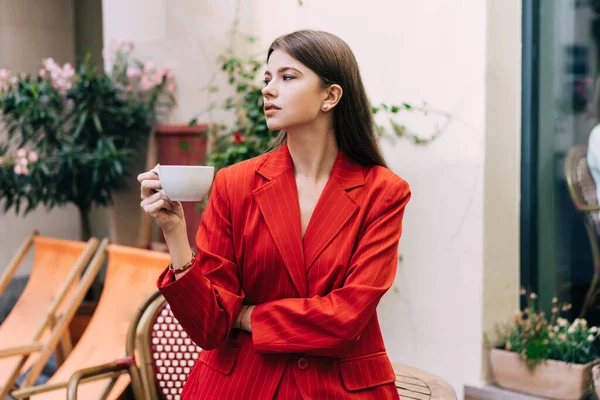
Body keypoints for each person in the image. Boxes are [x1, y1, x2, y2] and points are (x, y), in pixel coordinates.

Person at [138, 29, 411, 399]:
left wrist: (245, 316)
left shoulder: (383, 192)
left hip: (339, 390)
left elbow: (346, 317)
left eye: (287, 77)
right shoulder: (234, 184)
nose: (268, 89)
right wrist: (174, 233)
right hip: (240, 386)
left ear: (330, 96)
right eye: (267, 78)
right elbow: (209, 326)